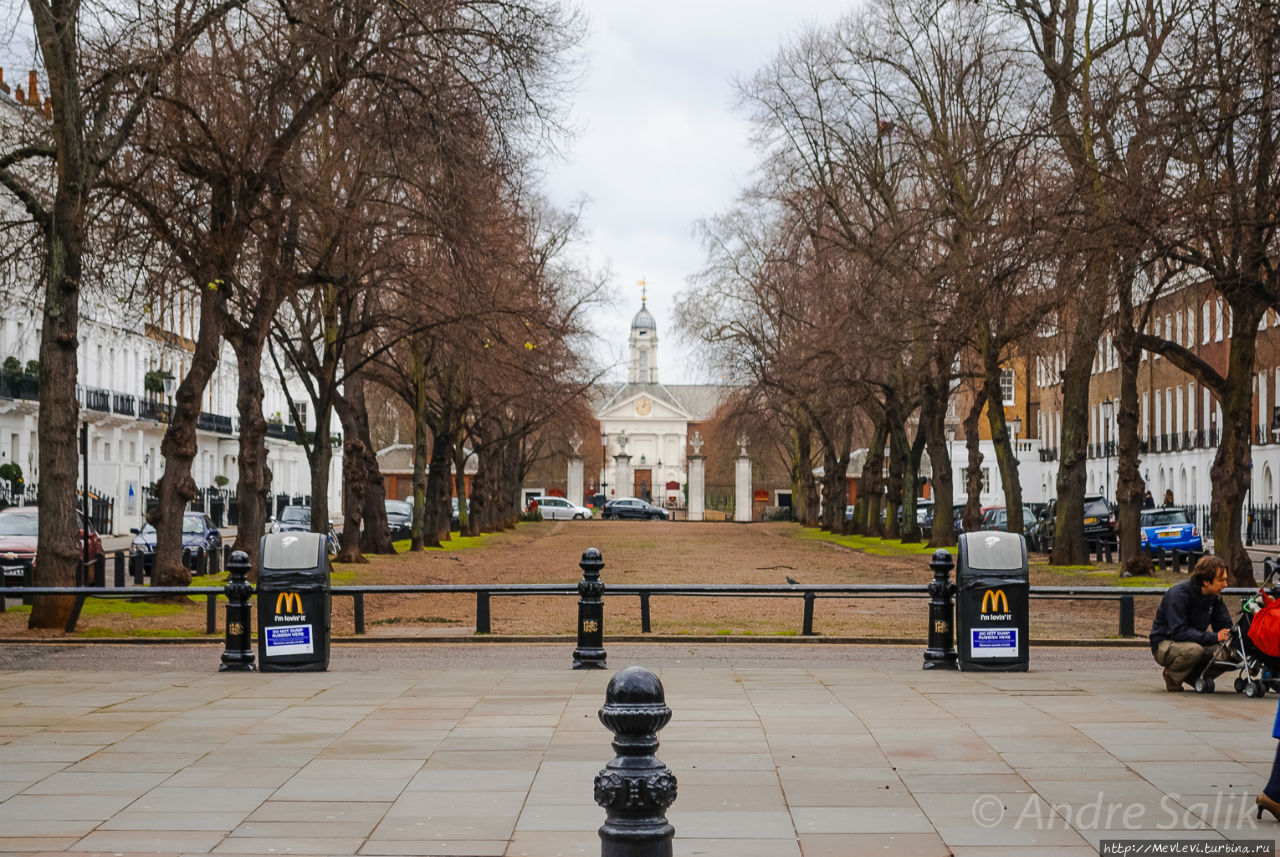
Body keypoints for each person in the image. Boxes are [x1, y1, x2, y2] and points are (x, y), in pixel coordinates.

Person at [1149, 555, 1231, 692]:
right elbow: (1179, 632)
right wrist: (1214, 637)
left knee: (1229, 652)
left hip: (1195, 641)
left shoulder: (1214, 597)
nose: (1225, 585)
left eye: (1225, 580)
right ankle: (1172, 676)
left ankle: (1194, 677)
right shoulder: (1178, 594)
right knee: (1194, 650)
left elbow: (1224, 625)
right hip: (1166, 642)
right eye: (1221, 580)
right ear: (1206, 582)